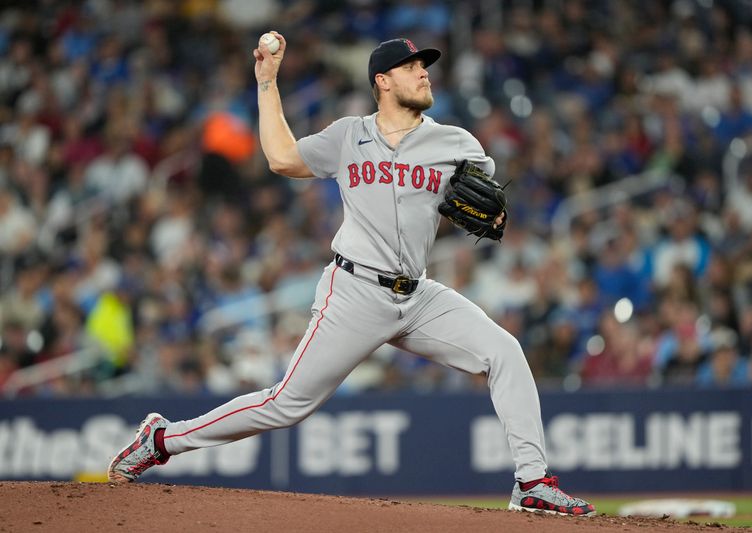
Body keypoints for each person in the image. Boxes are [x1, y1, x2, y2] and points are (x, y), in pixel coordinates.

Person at [108, 33, 595, 516]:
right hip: (355, 291)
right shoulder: (349, 135)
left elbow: (491, 210)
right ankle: (163, 438)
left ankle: (531, 482)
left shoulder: (456, 143)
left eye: (424, 65)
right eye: (411, 67)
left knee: (504, 351)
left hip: (418, 295)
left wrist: (496, 219)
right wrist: (267, 83)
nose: (424, 72)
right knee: (287, 404)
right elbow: (282, 158)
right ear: (382, 81)